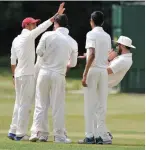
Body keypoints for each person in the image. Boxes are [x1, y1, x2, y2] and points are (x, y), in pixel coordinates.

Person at [8, 2, 65, 141]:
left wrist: (14, 76)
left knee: (18, 103)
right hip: (27, 75)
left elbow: (12, 60)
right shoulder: (28, 36)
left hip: (19, 75)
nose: (34, 25)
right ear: (27, 26)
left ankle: (13, 129)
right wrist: (56, 15)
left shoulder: (16, 40)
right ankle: (20, 134)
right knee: (25, 104)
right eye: (32, 24)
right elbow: (43, 27)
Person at [29, 14, 78, 143]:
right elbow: (72, 64)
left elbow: (38, 52)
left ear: (55, 24)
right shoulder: (72, 41)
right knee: (58, 105)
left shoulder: (47, 35)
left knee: (41, 103)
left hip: (44, 72)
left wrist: (48, 56)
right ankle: (59, 136)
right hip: (59, 75)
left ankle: (38, 133)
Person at [78, 35, 135, 143]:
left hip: (103, 85)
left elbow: (106, 70)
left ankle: (104, 136)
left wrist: (94, 62)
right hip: (102, 84)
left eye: (118, 45)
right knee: (95, 110)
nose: (116, 46)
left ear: (122, 46)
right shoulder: (122, 58)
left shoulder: (123, 60)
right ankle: (104, 134)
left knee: (95, 110)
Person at [78, 11, 112, 144]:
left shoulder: (91, 34)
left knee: (89, 104)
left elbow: (92, 54)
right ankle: (100, 136)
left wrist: (85, 73)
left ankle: (89, 136)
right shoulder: (107, 36)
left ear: (92, 20)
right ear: (102, 22)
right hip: (103, 71)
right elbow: (104, 54)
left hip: (93, 70)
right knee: (101, 104)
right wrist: (87, 56)